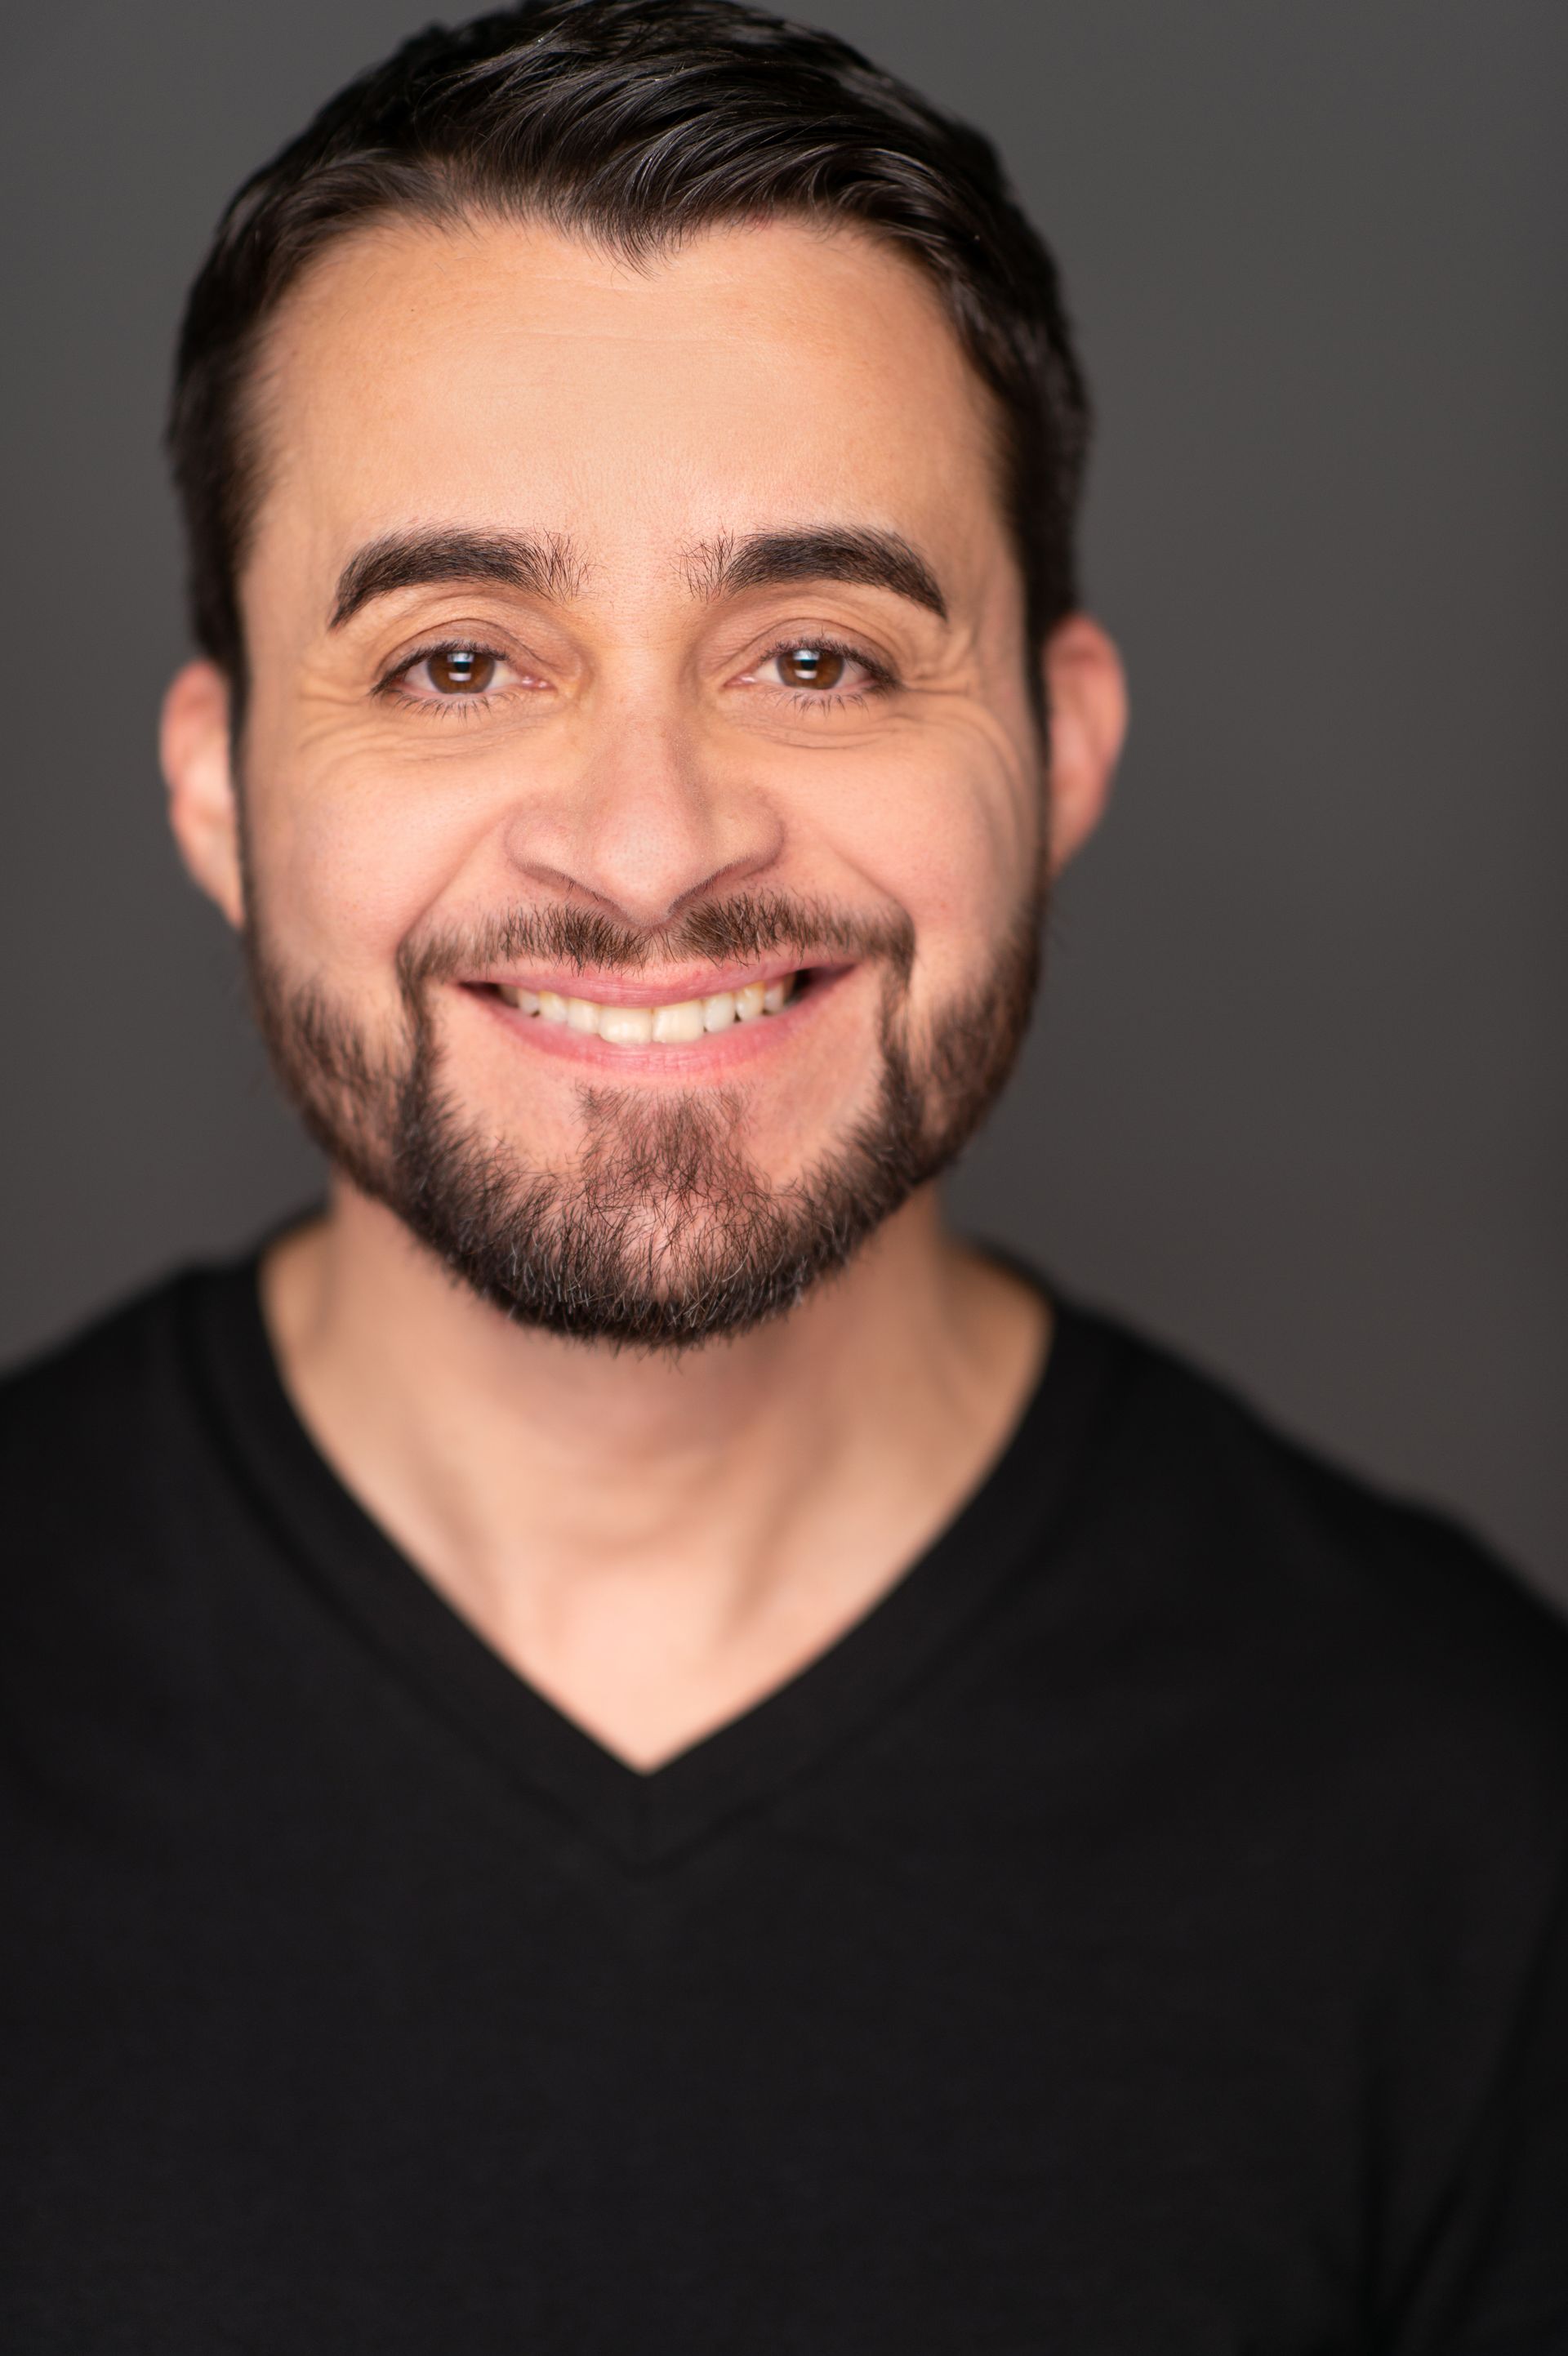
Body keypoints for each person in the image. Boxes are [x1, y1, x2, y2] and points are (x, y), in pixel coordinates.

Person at [2, 1, 1565, 2345]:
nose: (650, 847)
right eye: (455, 664)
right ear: (218, 790)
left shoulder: (1475, 1819)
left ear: (1062, 744)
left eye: (818, 658)